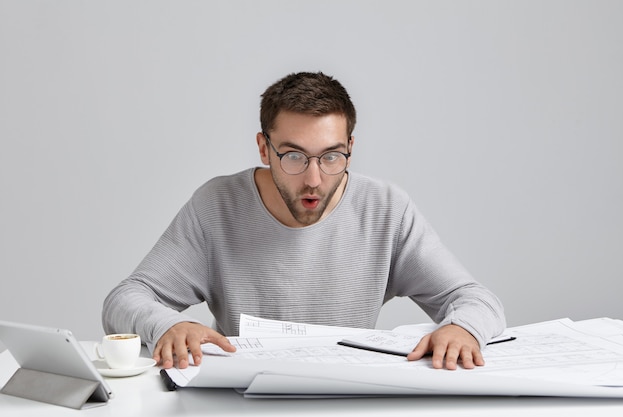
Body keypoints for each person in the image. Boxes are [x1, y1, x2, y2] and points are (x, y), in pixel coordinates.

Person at [102, 71, 505, 371]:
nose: (313, 178)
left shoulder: (385, 209)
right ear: (264, 147)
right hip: (240, 397)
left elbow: (478, 300)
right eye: (293, 156)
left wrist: (464, 328)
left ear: (350, 147)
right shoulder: (217, 205)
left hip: (346, 394)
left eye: (331, 156)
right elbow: (124, 299)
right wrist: (168, 326)